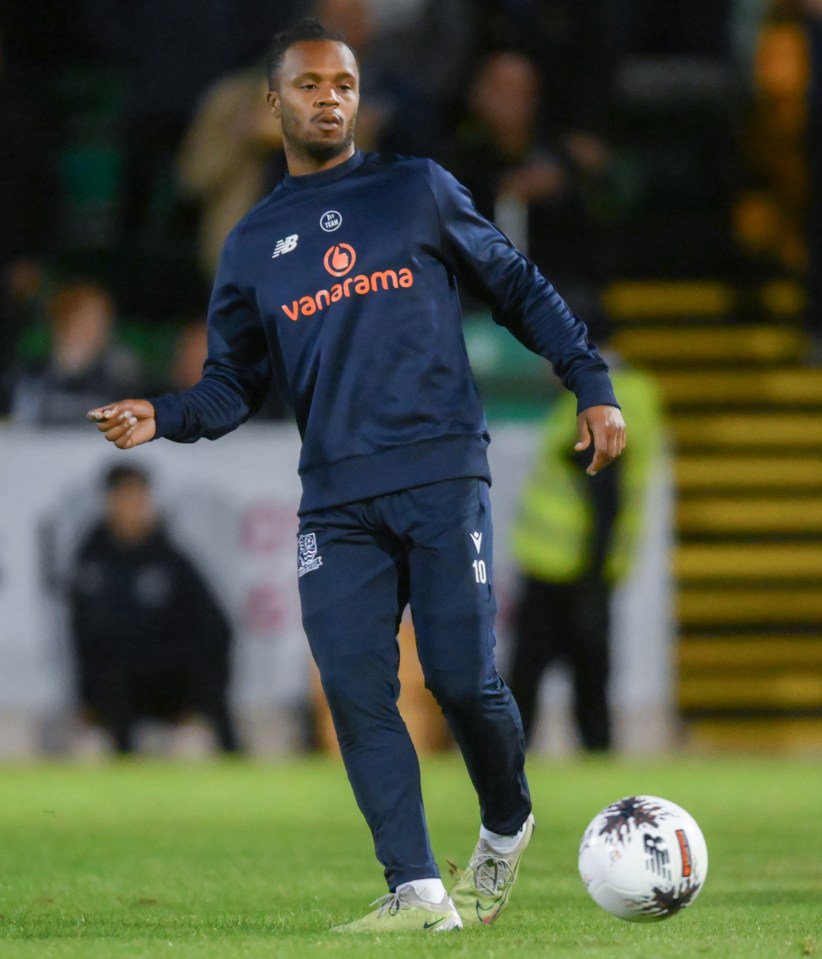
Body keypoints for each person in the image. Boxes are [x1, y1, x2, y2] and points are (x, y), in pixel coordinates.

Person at [86, 19, 625, 932]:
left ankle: (507, 819)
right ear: (274, 102)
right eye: (308, 84)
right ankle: (417, 890)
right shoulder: (254, 244)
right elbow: (230, 386)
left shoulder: (414, 187)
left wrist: (591, 381)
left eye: (343, 83)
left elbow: (517, 283)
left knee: (461, 680)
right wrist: (163, 412)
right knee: (356, 688)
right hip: (334, 497)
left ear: (358, 99)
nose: (329, 96)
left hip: (441, 470)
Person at [508, 343, 664, 753]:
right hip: (578, 566)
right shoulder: (624, 395)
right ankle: (596, 767)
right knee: (590, 681)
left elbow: (604, 491)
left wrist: (592, 575)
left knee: (532, 678)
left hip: (567, 567)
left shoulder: (599, 401)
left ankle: (506, 767)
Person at [68, 464, 242, 755]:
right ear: (109, 501)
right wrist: (85, 699)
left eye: (139, 498)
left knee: (199, 727)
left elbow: (217, 627)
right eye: (125, 497)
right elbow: (80, 636)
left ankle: (228, 753)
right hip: (118, 686)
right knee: (102, 715)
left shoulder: (171, 559)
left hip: (172, 680)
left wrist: (207, 689)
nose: (133, 507)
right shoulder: (90, 561)